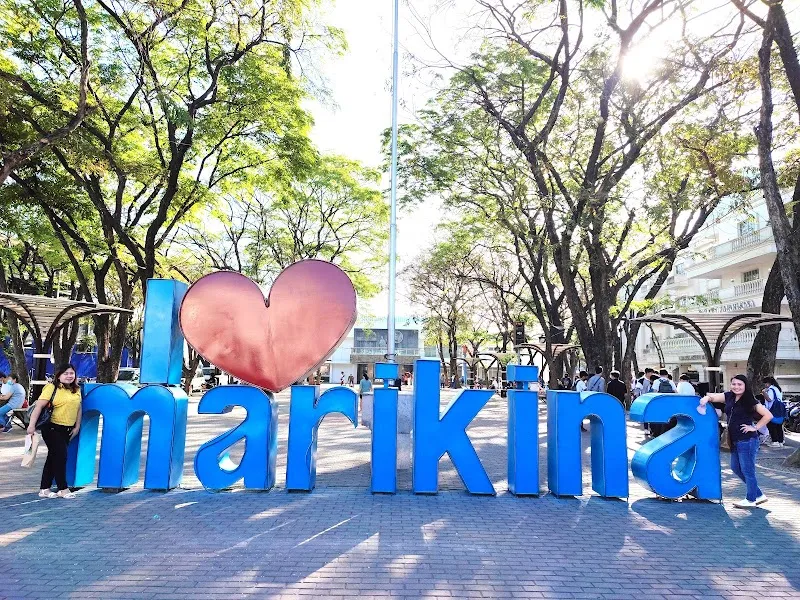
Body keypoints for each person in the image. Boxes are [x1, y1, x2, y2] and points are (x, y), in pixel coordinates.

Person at [699, 374, 773, 508]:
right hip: (735, 440)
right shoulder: (729, 396)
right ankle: (759, 495)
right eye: (734, 384)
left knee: (748, 470)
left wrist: (754, 427)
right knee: (735, 468)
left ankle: (751, 499)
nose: (736, 387)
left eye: (740, 384)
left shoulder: (750, 401)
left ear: (745, 386)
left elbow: (768, 415)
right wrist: (706, 398)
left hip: (748, 440)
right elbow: (714, 397)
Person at [27, 363, 82, 499]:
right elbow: (39, 407)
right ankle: (63, 489)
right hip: (51, 427)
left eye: (71, 373)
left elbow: (79, 407)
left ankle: (44, 489)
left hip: (67, 429)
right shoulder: (51, 388)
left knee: (53, 458)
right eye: (66, 373)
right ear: (58, 376)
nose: (69, 376)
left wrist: (77, 426)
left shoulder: (76, 389)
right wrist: (31, 425)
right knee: (60, 458)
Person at [762, 376, 786, 448]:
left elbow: (769, 399)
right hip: (780, 409)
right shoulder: (777, 389)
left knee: (771, 425)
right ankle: (780, 441)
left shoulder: (770, 389)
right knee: (778, 425)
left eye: (765, 383)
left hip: (772, 409)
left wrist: (763, 393)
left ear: (768, 383)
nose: (765, 385)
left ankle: (775, 441)